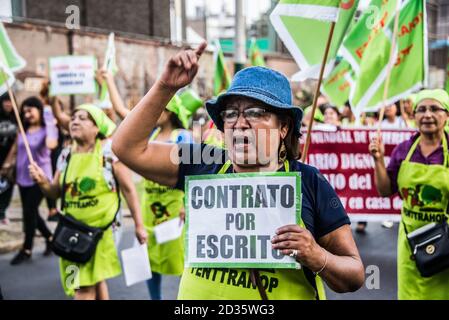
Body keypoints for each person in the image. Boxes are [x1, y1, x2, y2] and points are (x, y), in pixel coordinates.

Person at [112, 43, 365, 299]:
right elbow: (127, 148)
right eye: (230, 114)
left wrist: (316, 255)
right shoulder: (203, 162)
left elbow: (354, 274)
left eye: (256, 113)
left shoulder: (309, 182)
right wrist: (165, 87)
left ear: (284, 127)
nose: (240, 123)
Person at [29, 104, 147, 299]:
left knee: (82, 288)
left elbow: (129, 190)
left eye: (83, 118)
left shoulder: (110, 153)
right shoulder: (66, 155)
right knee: (93, 280)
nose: (75, 121)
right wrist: (42, 181)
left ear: (97, 128)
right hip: (70, 234)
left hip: (102, 233)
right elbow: (54, 193)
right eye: (74, 117)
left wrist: (139, 225)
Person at [369, 89, 449, 300]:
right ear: (414, 116)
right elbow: (385, 191)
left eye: (434, 109)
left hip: (446, 245)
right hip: (411, 244)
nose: (427, 115)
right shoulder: (404, 150)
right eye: (421, 109)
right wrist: (378, 160)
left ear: (447, 115)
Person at [8, 97, 58, 265]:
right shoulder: (22, 131)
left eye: (31, 110)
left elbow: (51, 144)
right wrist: (6, 166)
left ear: (39, 111)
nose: (27, 114)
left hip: (40, 178)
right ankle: (50, 238)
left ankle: (27, 249)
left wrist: (49, 119)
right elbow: (15, 149)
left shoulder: (47, 131)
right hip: (22, 177)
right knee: (32, 213)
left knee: (29, 212)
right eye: (25, 111)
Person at [0, 94, 16, 225]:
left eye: (11, 101)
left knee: (8, 186)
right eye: (6, 101)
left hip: (10, 159)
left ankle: (2, 212)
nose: (8, 104)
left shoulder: (17, 118)